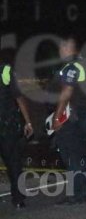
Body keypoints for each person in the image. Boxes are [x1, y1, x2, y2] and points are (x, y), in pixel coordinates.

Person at [51, 37, 86, 206]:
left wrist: (57, 117)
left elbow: (67, 92)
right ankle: (85, 192)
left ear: (68, 48)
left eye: (61, 49)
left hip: (72, 116)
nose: (60, 52)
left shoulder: (72, 67)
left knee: (71, 156)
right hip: (83, 115)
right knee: (82, 153)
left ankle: (75, 195)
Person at [0, 49, 34, 209]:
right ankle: (18, 199)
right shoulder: (5, 70)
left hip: (7, 124)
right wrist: (28, 122)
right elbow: (18, 97)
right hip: (7, 125)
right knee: (13, 162)